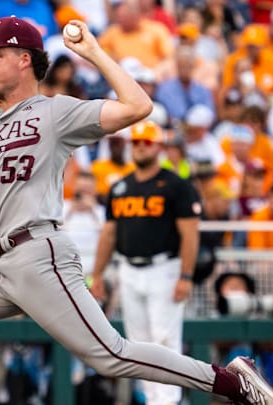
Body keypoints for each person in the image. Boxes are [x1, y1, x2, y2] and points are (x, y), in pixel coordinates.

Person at [0, 16, 273, 405]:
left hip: (38, 254)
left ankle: (232, 382)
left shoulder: (56, 112)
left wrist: (93, 51)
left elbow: (137, 106)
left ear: (24, 59)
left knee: (111, 355)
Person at [91, 121, 200, 405]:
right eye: (136, 143)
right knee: (137, 342)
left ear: (159, 147)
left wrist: (186, 275)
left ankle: (167, 400)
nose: (139, 147)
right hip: (128, 268)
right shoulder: (120, 187)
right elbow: (109, 233)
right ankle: (151, 399)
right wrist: (98, 274)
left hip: (164, 268)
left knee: (165, 338)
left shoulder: (176, 186)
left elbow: (189, 233)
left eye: (146, 143)